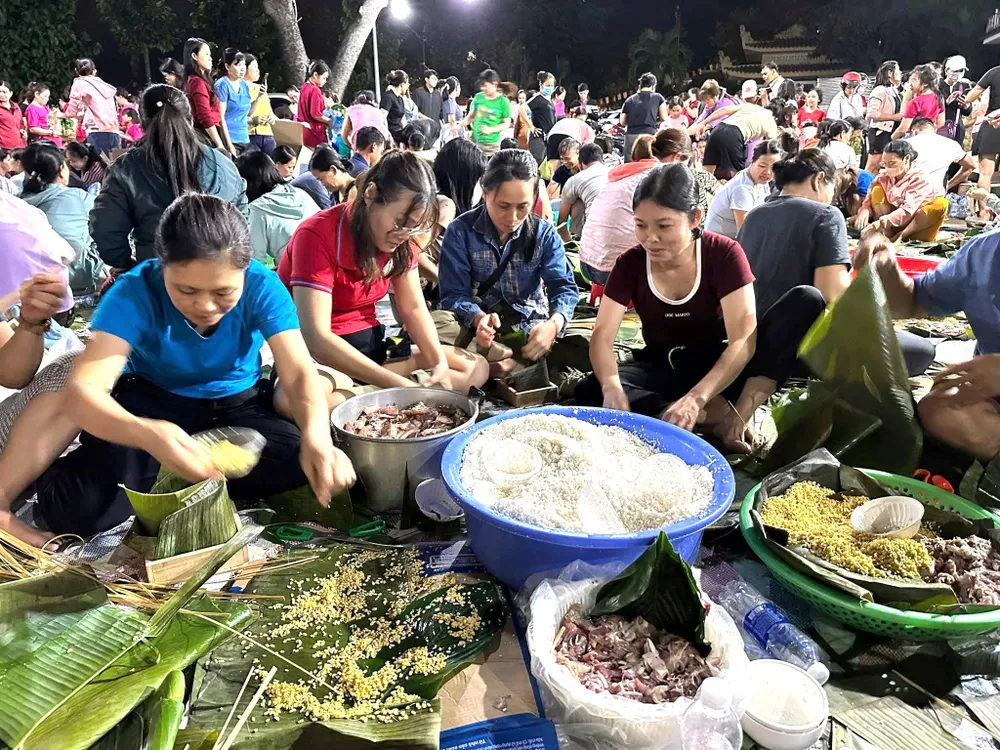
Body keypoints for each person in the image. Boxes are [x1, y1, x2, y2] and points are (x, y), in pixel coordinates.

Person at [37, 194, 355, 536]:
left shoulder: (262, 285)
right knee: (81, 510)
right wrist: (149, 434)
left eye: (223, 293)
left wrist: (317, 438)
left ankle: (177, 479)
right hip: (153, 404)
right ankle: (166, 471)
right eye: (186, 290)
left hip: (236, 405)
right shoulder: (134, 291)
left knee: (300, 457)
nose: (205, 306)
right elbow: (83, 392)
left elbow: (297, 371)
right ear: (162, 266)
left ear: (245, 271)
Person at [575, 163, 823, 453]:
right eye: (640, 225)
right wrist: (612, 388)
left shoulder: (723, 254)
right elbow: (603, 335)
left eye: (663, 226)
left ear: (695, 218)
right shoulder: (630, 263)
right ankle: (704, 416)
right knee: (592, 388)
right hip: (666, 365)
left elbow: (742, 339)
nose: (650, 238)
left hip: (723, 368)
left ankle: (738, 414)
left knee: (806, 300)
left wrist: (697, 398)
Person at [280, 151, 487, 390]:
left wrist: (437, 362)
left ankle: (378, 395)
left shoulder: (402, 243)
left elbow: (414, 309)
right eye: (399, 222)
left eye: (413, 228)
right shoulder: (317, 236)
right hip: (322, 360)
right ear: (370, 194)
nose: (403, 235)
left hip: (374, 348)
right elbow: (316, 337)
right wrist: (398, 385)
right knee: (308, 395)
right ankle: (392, 394)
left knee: (476, 366)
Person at [854, 231, 1000, 461]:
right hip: (992, 391)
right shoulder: (984, 253)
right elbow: (914, 302)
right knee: (939, 407)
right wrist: (889, 273)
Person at [437, 149, 579, 376]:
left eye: (523, 207)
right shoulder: (460, 231)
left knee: (589, 347)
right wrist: (478, 318)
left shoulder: (544, 234)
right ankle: (511, 365)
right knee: (434, 326)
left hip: (529, 326)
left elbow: (563, 287)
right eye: (503, 206)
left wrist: (553, 325)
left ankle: (493, 366)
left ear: (534, 198)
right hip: (479, 328)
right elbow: (453, 295)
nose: (512, 218)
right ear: (485, 193)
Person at [92, 85, 247, 271]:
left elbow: (106, 230)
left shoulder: (124, 169)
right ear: (190, 121)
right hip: (220, 279)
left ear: (141, 124)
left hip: (155, 280)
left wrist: (127, 267)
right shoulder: (224, 165)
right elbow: (242, 226)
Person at [579, 128, 708, 285]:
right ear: (678, 157)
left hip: (586, 262)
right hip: (615, 269)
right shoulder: (663, 180)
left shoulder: (623, 174)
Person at [19, 142, 105, 293]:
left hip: (30, 278)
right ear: (61, 170)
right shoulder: (78, 196)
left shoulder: (16, 203)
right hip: (76, 275)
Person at [851, 140, 948, 242]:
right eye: (885, 164)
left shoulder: (921, 179)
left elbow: (908, 210)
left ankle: (902, 235)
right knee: (877, 190)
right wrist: (864, 210)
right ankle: (887, 234)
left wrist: (880, 223)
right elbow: (870, 195)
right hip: (890, 224)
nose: (888, 168)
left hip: (915, 225)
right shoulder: (884, 177)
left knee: (941, 203)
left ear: (906, 159)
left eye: (892, 163)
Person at [237, 150, 319, 267]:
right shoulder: (299, 193)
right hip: (330, 261)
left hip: (299, 272)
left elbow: (255, 262)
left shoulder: (256, 210)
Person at [705, 140, 782, 238]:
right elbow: (744, 233)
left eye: (773, 168)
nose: (768, 172)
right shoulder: (742, 188)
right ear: (752, 161)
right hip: (719, 244)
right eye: (762, 166)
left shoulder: (761, 182)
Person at [695, 101, 778, 180]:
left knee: (706, 172)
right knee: (738, 176)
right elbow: (772, 149)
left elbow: (725, 110)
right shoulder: (771, 123)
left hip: (717, 129)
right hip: (735, 134)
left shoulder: (751, 106)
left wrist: (704, 123)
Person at [64, 58, 120, 156]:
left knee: (98, 167)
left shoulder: (80, 83)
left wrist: (63, 115)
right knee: (115, 167)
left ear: (76, 71)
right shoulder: (104, 86)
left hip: (97, 130)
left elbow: (72, 110)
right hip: (114, 131)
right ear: (94, 71)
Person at [908, 117, 975, 195]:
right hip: (937, 197)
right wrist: (948, 185)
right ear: (935, 130)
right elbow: (971, 165)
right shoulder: (951, 144)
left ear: (913, 132)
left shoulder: (906, 144)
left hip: (909, 197)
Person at [182, 39, 227, 153]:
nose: (210, 58)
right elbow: (204, 116)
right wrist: (219, 144)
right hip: (205, 135)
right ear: (194, 56)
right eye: (206, 54)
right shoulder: (197, 82)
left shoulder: (198, 80)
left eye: (210, 54)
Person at [560, 142, 608, 240]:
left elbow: (561, 223)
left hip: (591, 237)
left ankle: (577, 239)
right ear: (603, 162)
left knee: (575, 201)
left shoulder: (575, 180)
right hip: (622, 234)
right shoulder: (613, 174)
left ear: (580, 164)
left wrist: (567, 243)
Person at [462, 69, 512, 157]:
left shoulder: (503, 101)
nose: (482, 88)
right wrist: (459, 125)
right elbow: (471, 116)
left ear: (494, 84)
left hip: (491, 146)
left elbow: (506, 123)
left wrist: (491, 130)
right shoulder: (478, 97)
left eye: (485, 85)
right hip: (474, 142)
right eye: (482, 85)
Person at [866, 60, 903, 172]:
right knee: (873, 165)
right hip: (880, 132)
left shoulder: (893, 91)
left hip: (890, 132)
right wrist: (894, 117)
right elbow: (872, 113)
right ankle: (862, 188)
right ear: (890, 73)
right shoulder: (880, 90)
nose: (900, 73)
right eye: (898, 70)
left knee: (881, 165)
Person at [621, 73, 667, 162]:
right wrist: (655, 121)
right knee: (649, 164)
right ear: (653, 85)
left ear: (640, 85)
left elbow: (622, 121)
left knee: (630, 166)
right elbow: (664, 117)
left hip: (631, 135)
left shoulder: (629, 100)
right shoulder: (658, 97)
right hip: (649, 134)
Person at [434, 138, 487, 215]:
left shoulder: (480, 211)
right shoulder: (438, 214)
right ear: (464, 182)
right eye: (479, 181)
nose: (483, 190)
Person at [213, 48, 251, 156]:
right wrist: (229, 146)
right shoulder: (222, 85)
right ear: (227, 66)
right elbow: (220, 118)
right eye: (238, 65)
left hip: (245, 138)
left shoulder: (243, 84)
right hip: (231, 140)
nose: (243, 69)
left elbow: (247, 112)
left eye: (244, 65)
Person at [292, 145, 352, 210]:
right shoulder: (337, 191)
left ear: (333, 170)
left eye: (321, 179)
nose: (322, 184)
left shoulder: (355, 194)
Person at [893, 64, 944, 139]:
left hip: (913, 137)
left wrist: (892, 138)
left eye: (914, 80)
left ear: (925, 83)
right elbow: (940, 123)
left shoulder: (915, 102)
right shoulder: (938, 97)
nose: (910, 83)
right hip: (930, 137)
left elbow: (903, 129)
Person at [298, 60, 332, 161]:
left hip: (303, 132)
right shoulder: (315, 90)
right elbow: (315, 114)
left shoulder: (304, 87)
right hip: (315, 134)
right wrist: (330, 121)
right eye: (324, 78)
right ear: (315, 75)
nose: (325, 81)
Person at [546, 106, 595, 174]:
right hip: (570, 134)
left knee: (555, 170)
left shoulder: (569, 120)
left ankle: (555, 180)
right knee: (574, 161)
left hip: (552, 135)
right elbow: (585, 150)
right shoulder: (590, 131)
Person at [244, 53, 276, 155]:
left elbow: (270, 112)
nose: (258, 70)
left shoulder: (261, 88)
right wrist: (253, 120)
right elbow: (240, 115)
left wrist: (271, 118)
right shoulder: (239, 89)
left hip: (267, 134)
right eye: (254, 67)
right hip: (250, 135)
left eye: (258, 67)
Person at [939, 55, 973, 144]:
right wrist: (946, 102)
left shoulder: (964, 86)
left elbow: (968, 112)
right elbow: (932, 106)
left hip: (957, 129)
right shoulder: (937, 85)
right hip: (940, 127)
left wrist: (966, 106)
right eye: (955, 71)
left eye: (961, 71)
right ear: (947, 70)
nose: (958, 74)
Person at [24, 83, 61, 149]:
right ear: (37, 94)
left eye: (48, 97)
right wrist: (52, 132)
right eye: (45, 96)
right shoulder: (32, 109)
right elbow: (33, 129)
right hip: (44, 142)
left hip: (53, 141)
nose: (47, 99)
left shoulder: (45, 107)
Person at [381, 70, 409, 146]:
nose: (408, 86)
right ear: (402, 84)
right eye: (407, 84)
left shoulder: (400, 98)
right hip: (391, 132)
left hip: (400, 131)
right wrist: (388, 136)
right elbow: (383, 118)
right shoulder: (388, 97)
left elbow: (403, 119)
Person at [0, 80, 25, 151]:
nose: (1, 94)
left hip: (19, 146)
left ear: (11, 93)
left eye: (4, 92)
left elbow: (20, 123)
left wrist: (22, 130)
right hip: (3, 147)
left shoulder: (16, 107)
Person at [439, 78, 464, 142]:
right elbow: (451, 119)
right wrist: (456, 135)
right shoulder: (450, 101)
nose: (460, 89)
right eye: (459, 87)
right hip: (454, 134)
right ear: (456, 88)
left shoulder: (450, 101)